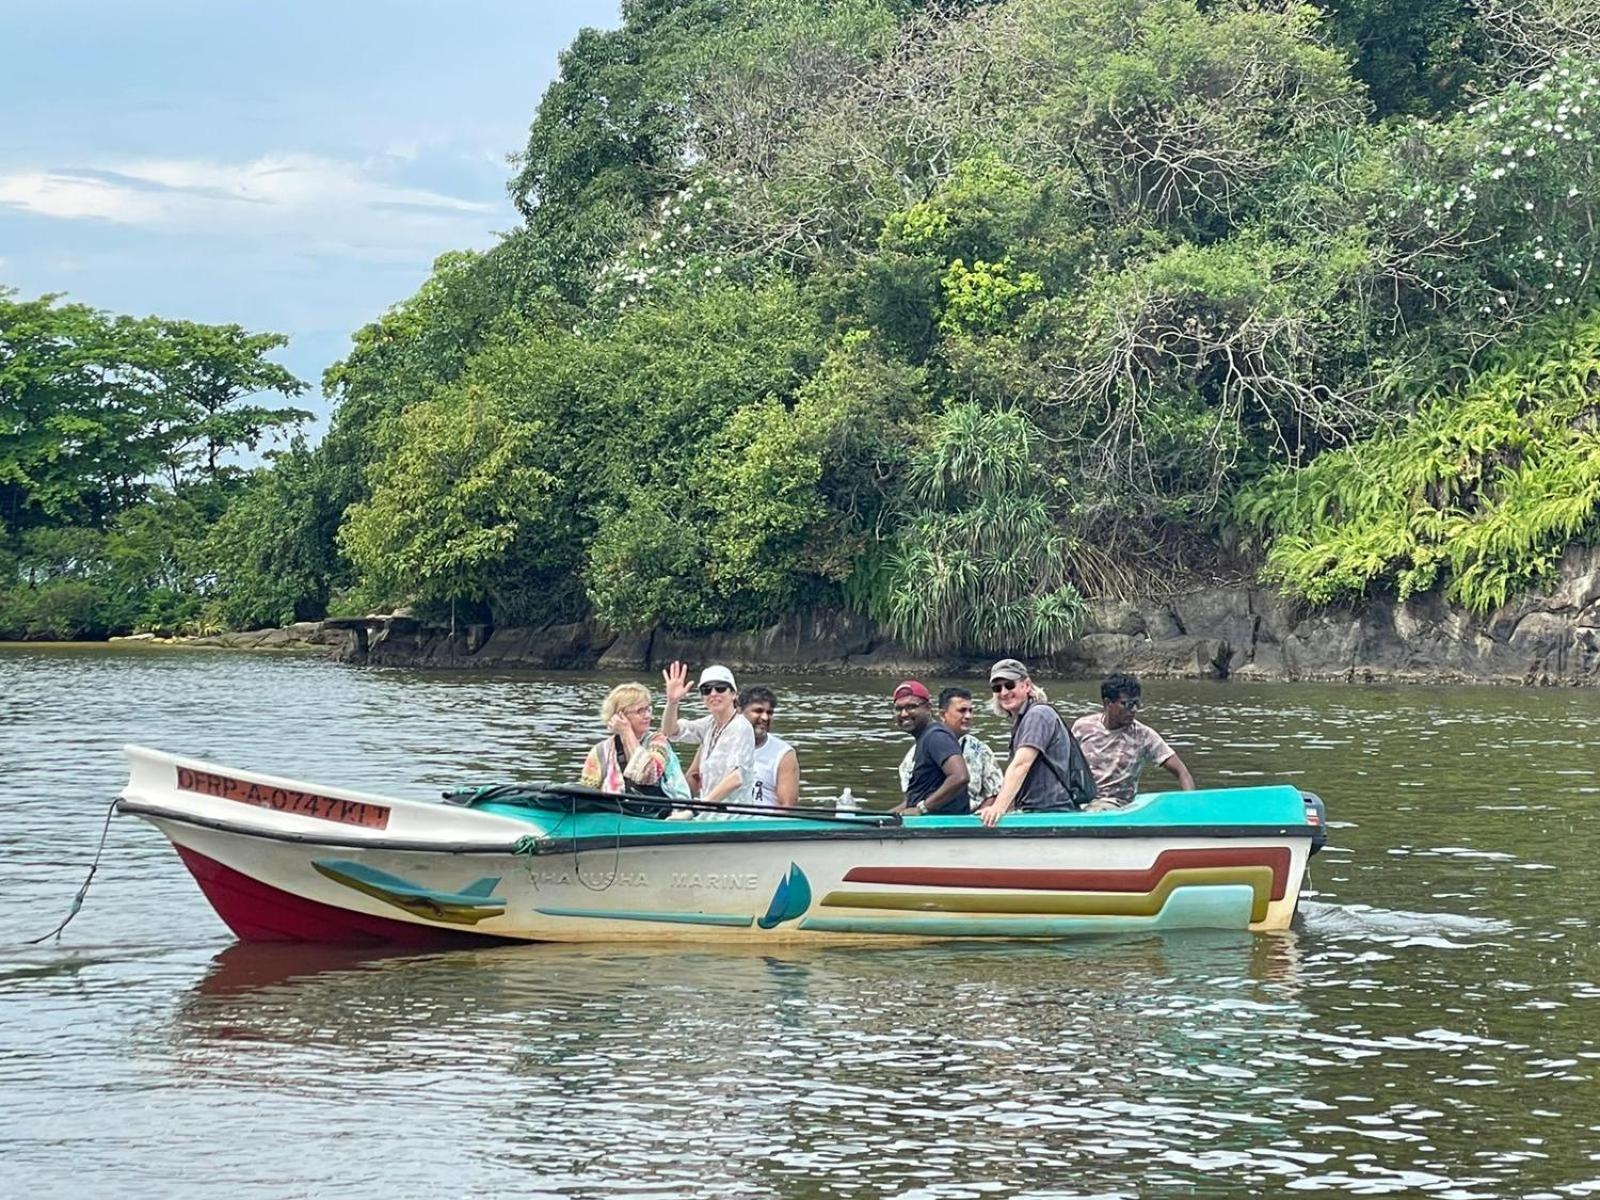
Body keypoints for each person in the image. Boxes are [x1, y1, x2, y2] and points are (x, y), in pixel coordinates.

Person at [979, 658, 1095, 827]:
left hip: (1052, 813)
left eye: (1009, 685)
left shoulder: (1037, 715)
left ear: (1026, 686)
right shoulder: (1023, 720)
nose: (1004, 692)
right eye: (997, 688)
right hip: (1037, 810)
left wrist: (997, 808)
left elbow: (1021, 765)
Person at [1072, 673, 1195, 810]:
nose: (1134, 710)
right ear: (1108, 703)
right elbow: (1064, 763)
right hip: (1082, 798)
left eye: (1137, 703)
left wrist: (1190, 806)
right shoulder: (1083, 727)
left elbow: (1182, 772)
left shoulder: (1144, 735)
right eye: (1128, 704)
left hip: (1116, 804)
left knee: (1097, 810)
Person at [660, 661, 757, 808]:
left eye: (720, 688)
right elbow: (670, 731)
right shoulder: (709, 725)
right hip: (710, 813)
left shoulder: (741, 727)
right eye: (706, 690)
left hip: (734, 817)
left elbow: (737, 778)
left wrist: (700, 807)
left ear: (733, 694)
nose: (713, 694)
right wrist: (672, 702)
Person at [579, 682, 691, 804]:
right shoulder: (600, 751)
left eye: (648, 709)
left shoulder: (658, 741)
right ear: (619, 715)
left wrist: (627, 732)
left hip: (666, 812)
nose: (647, 715)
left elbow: (649, 775)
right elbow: (586, 792)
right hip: (615, 812)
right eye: (640, 711)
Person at [897, 686, 1002, 810]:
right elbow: (911, 801)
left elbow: (995, 793)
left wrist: (978, 818)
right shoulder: (913, 755)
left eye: (970, 711)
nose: (968, 716)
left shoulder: (980, 750)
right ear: (942, 714)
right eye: (962, 711)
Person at [889, 680, 970, 815]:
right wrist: (880, 817)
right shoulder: (925, 739)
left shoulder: (936, 736)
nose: (904, 714)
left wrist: (922, 808)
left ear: (928, 708)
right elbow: (913, 801)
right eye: (899, 708)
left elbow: (960, 776)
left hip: (944, 829)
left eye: (911, 707)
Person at [740, 686, 799, 809]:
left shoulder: (784, 754)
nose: (765, 718)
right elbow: (694, 778)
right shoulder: (716, 742)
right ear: (739, 711)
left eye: (769, 712)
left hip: (762, 824)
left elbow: (787, 808)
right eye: (758, 711)